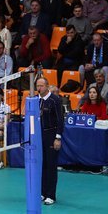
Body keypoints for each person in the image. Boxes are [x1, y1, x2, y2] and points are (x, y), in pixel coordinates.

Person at [36, 77, 65, 205]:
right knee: (42, 165)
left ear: (47, 86)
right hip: (39, 136)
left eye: (41, 86)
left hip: (51, 134)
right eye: (37, 86)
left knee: (51, 165)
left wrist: (58, 137)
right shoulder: (36, 100)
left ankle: (51, 195)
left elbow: (60, 120)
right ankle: (43, 192)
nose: (39, 88)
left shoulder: (55, 100)